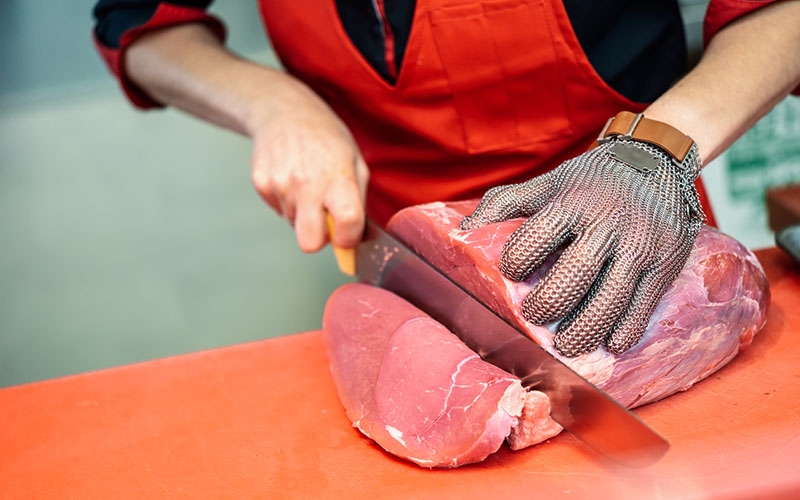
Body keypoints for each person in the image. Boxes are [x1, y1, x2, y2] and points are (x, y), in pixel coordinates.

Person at [91, 0, 800, 356]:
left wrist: (652, 152)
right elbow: (143, 25)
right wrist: (276, 105)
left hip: (635, 233)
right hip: (415, 261)